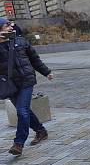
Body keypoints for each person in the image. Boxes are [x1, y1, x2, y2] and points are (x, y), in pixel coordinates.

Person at [1, 18, 53, 156]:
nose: (10, 27)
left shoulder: (21, 41)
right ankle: (41, 131)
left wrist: (46, 72)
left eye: (10, 24)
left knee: (22, 111)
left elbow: (34, 59)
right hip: (10, 84)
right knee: (24, 111)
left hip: (26, 81)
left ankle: (18, 143)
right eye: (6, 25)